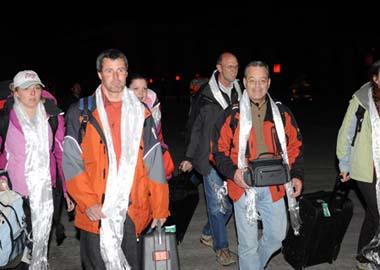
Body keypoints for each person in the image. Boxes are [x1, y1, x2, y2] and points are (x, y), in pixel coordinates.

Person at [62, 49, 169, 270]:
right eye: (109, 71)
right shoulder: (81, 112)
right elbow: (72, 162)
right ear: (100, 74)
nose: (115, 76)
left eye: (120, 70)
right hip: (97, 210)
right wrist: (87, 202)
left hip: (133, 208)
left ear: (126, 73)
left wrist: (160, 208)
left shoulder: (142, 113)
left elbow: (154, 163)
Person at [211, 61, 303, 270]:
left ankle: (251, 266)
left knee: (277, 237)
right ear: (244, 82)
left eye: (262, 81)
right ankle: (250, 265)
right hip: (244, 187)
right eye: (252, 81)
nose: (257, 86)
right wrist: (233, 174)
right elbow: (217, 151)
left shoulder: (281, 113)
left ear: (269, 83)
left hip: (275, 186)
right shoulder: (231, 114)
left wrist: (297, 175)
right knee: (248, 246)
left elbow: (295, 146)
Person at [0, 70, 74, 269]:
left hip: (46, 188)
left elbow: (60, 154)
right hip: (15, 190)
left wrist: (67, 189)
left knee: (38, 236)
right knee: (16, 237)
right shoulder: (6, 116)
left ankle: (35, 264)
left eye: (36, 87)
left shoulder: (52, 116)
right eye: (26, 88)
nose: (32, 92)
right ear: (15, 92)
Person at [179, 52, 242, 266]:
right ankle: (221, 248)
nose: (234, 70)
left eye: (236, 66)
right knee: (217, 206)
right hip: (210, 159)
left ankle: (208, 233)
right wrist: (189, 156)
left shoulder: (239, 91)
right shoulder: (205, 95)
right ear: (219, 67)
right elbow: (195, 128)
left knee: (232, 203)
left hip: (233, 158)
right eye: (230, 66)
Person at [337, 60, 380, 270]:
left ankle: (363, 257)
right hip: (366, 169)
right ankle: (371, 255)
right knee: (377, 212)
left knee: (373, 215)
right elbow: (345, 133)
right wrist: (344, 164)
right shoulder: (362, 99)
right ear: (375, 78)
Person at [128, 74, 174, 180]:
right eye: (136, 88)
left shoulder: (153, 108)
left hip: (149, 161)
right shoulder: (119, 110)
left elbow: (159, 138)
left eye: (144, 88)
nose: (141, 92)